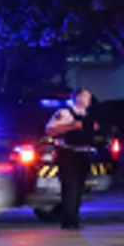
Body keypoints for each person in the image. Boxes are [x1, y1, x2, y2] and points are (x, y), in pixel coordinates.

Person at [44, 88, 97, 230]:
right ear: (78, 98)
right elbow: (50, 129)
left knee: (79, 189)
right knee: (70, 189)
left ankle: (74, 218)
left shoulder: (87, 115)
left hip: (83, 155)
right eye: (86, 96)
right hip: (68, 155)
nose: (89, 100)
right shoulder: (65, 113)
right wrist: (72, 125)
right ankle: (68, 221)